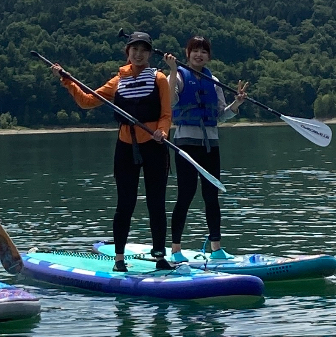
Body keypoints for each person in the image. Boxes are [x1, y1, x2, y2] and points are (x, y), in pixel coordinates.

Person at [51, 32, 174, 273]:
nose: (139, 54)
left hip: (154, 146)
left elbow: (166, 114)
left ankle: (160, 256)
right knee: (124, 204)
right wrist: (67, 80)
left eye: (144, 50)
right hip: (126, 147)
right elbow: (87, 101)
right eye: (134, 49)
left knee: (156, 203)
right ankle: (119, 259)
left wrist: (162, 132)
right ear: (127, 52)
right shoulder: (117, 82)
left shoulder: (159, 78)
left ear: (149, 53)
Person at [164, 36, 247, 261]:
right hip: (186, 145)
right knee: (185, 195)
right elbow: (171, 101)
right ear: (187, 53)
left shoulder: (214, 80)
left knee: (212, 196)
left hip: (211, 145)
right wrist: (172, 70)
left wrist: (237, 103)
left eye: (203, 51)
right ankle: (175, 250)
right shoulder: (180, 76)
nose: (199, 55)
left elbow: (221, 114)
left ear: (209, 56)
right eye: (195, 51)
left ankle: (216, 247)